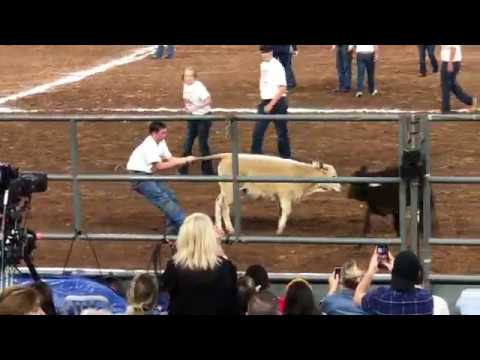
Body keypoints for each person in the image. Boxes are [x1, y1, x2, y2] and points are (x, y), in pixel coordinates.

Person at [126, 121, 196, 235]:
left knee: (171, 196)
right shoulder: (149, 145)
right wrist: (184, 160)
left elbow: (170, 159)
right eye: (163, 133)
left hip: (147, 174)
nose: (165, 135)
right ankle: (186, 225)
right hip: (138, 177)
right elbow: (159, 166)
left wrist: (186, 159)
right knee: (163, 200)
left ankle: (172, 230)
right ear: (154, 133)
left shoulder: (161, 142)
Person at [162, 213, 238, 315]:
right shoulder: (226, 268)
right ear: (210, 237)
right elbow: (232, 299)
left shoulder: (173, 267)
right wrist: (218, 247)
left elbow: (165, 297)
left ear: (184, 236)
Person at [353, 248, 434, 315]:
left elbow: (357, 297)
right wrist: (397, 270)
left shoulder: (381, 297)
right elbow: (414, 286)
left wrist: (371, 270)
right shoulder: (426, 299)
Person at [251, 45, 291, 159]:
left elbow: (283, 88)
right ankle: (255, 156)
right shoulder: (263, 64)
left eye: (266, 52)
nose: (263, 54)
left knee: (281, 134)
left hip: (278, 103)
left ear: (271, 52)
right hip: (265, 102)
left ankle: (286, 157)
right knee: (258, 132)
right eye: (262, 52)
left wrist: (271, 104)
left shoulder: (277, 67)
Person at [177, 67, 216, 176]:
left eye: (190, 76)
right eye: (186, 76)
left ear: (194, 77)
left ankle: (207, 171)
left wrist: (195, 108)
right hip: (193, 117)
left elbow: (208, 100)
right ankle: (183, 168)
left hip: (204, 118)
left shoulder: (199, 87)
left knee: (202, 144)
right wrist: (187, 107)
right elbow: (185, 97)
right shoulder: (185, 85)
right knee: (188, 143)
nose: (188, 78)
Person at [440, 45, 477, 113]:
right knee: (452, 85)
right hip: (451, 62)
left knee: (446, 85)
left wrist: (450, 62)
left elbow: (453, 48)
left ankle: (445, 109)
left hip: (450, 62)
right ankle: (469, 100)